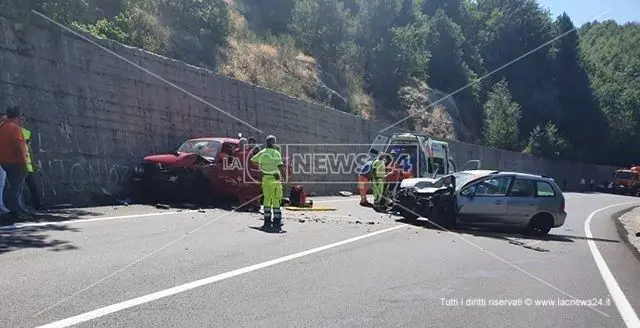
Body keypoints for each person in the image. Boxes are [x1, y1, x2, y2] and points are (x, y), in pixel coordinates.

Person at [251, 135, 286, 232]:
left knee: (266, 200)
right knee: (276, 199)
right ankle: (276, 222)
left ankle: (267, 222)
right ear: (274, 143)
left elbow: (252, 160)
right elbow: (280, 166)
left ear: (266, 142)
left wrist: (261, 168)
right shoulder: (276, 153)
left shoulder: (262, 153)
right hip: (275, 179)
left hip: (266, 178)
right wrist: (284, 177)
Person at [0, 106, 29, 220]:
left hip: (4, 162)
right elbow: (18, 145)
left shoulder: (2, 127)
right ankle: (15, 211)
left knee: (14, 185)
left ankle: (19, 209)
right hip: (16, 161)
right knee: (16, 187)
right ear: (18, 116)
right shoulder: (15, 128)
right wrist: (23, 161)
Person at [20, 119, 42, 211]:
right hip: (19, 165)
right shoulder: (13, 131)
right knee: (18, 188)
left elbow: (29, 151)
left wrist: (33, 164)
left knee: (32, 186)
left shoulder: (25, 132)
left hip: (28, 166)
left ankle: (37, 205)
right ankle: (19, 207)